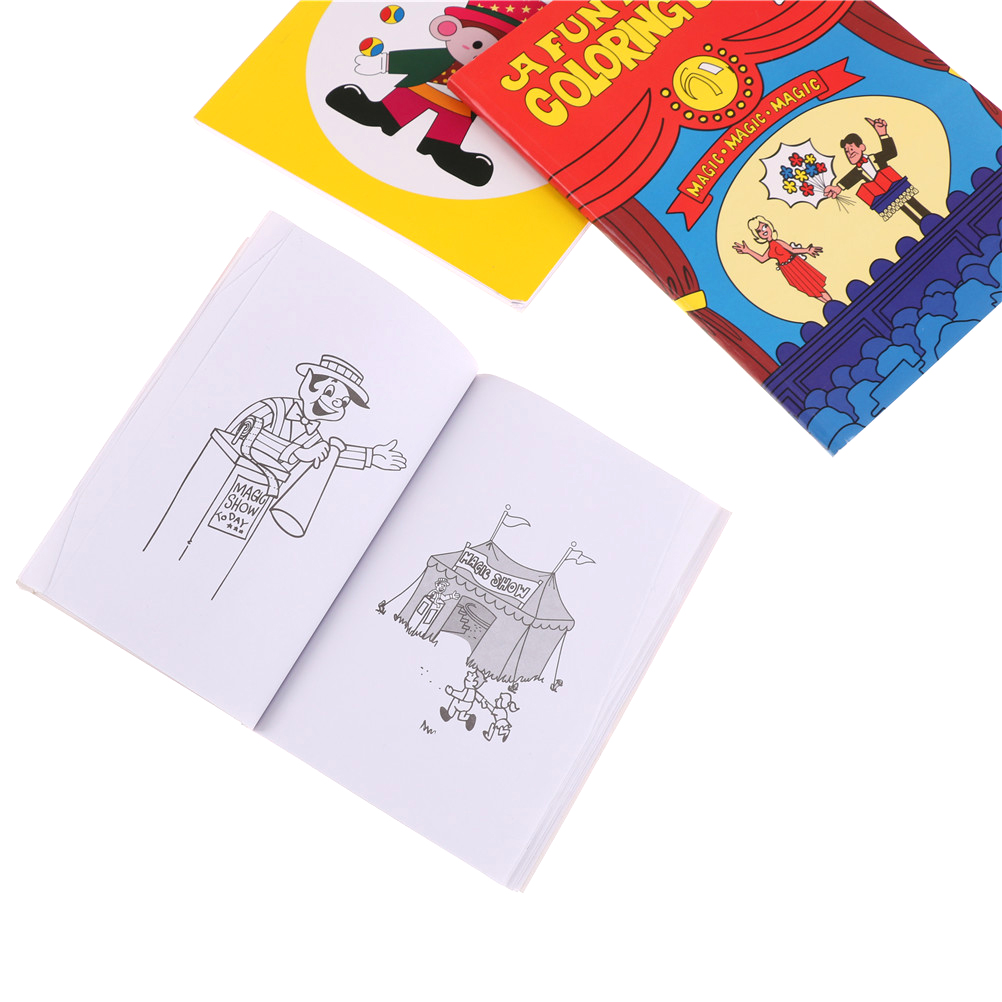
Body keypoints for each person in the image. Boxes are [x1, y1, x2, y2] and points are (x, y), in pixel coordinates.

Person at [325, 4, 535, 186]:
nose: (477, 54)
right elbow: (415, 60)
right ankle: (379, 114)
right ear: (448, 29)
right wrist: (382, 63)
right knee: (395, 108)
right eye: (477, 45)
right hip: (424, 89)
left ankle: (443, 149)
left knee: (448, 133)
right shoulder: (440, 58)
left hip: (459, 106)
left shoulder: (490, 80)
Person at [225, 354, 406, 504]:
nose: (333, 404)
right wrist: (298, 452)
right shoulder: (273, 408)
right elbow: (241, 433)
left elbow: (331, 454)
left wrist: (371, 456)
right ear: (308, 381)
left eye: (342, 402)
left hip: (257, 498)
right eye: (329, 392)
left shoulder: (312, 437)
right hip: (224, 477)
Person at [823, 117, 929, 226]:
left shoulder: (876, 158)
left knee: (913, 203)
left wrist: (882, 133)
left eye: (851, 148)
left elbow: (891, 152)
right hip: (883, 196)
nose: (850, 153)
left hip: (895, 186)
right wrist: (838, 188)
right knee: (907, 211)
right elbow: (849, 179)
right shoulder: (858, 171)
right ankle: (922, 226)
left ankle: (929, 217)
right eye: (847, 151)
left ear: (862, 147)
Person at [733, 217, 831, 303]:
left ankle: (831, 302)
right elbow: (762, 259)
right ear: (758, 235)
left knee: (813, 285)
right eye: (759, 231)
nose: (763, 231)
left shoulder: (778, 242)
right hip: (788, 270)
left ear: (770, 226)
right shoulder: (770, 249)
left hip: (796, 265)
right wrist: (748, 251)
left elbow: (792, 250)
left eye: (765, 226)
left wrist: (807, 250)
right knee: (808, 288)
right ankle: (828, 304)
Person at [440, 667, 488, 731]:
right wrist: (482, 701)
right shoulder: (473, 691)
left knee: (454, 703)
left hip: (462, 704)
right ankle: (468, 718)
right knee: (461, 716)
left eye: (472, 675)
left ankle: (448, 715)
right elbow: (478, 696)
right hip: (467, 706)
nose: (468, 673)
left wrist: (452, 692)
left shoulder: (468, 690)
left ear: (474, 683)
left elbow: (461, 696)